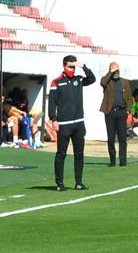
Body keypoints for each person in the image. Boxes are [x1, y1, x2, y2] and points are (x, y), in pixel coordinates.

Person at [48, 55, 94, 191]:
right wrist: (54, 120)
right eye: (70, 67)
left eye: (73, 67)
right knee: (61, 154)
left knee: (79, 154)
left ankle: (78, 182)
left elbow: (92, 79)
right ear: (64, 66)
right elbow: (52, 103)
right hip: (64, 124)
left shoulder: (78, 79)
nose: (72, 70)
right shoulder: (56, 82)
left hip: (79, 123)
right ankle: (59, 183)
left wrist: (83, 66)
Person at [99, 62, 132, 167]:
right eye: (114, 70)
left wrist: (128, 110)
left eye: (117, 70)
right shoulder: (107, 82)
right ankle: (112, 160)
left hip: (122, 112)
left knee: (122, 138)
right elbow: (102, 82)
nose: (116, 72)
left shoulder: (125, 82)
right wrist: (110, 72)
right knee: (111, 138)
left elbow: (129, 98)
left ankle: (123, 161)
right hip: (110, 112)